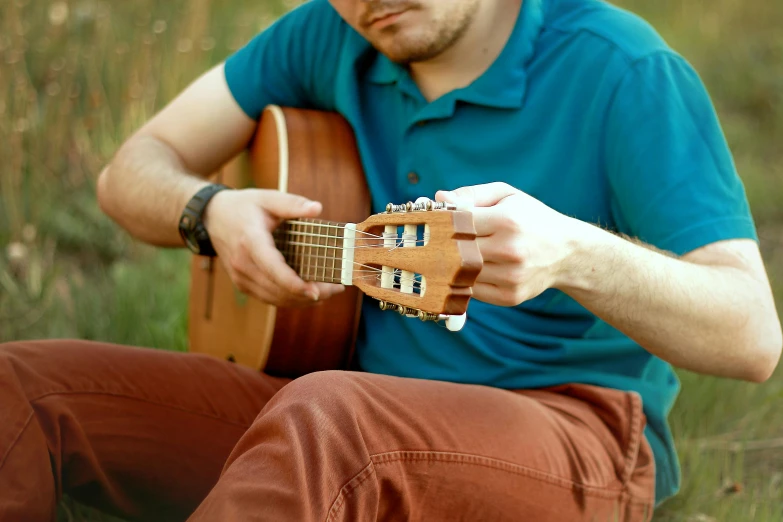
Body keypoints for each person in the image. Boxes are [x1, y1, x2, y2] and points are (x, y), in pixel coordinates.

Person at [1, 0, 780, 520]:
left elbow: (750, 336)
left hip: (572, 432)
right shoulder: (328, 34)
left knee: (331, 416)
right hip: (328, 417)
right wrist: (207, 212)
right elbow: (131, 171)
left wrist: (575, 254)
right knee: (21, 387)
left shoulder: (621, 70)